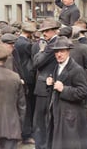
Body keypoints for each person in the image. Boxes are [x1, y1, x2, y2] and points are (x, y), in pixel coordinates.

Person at [46, 36, 87, 149]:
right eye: (56, 51)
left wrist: (64, 89)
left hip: (71, 117)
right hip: (60, 113)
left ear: (68, 51)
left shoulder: (77, 69)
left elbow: (83, 92)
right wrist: (51, 84)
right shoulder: (58, 66)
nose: (59, 54)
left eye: (62, 51)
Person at [31, 18, 61, 149]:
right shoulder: (55, 42)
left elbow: (36, 63)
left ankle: (42, 145)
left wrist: (41, 51)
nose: (44, 34)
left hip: (44, 85)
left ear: (54, 31)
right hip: (48, 83)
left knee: (41, 119)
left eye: (46, 31)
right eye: (43, 31)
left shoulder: (51, 45)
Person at [14, 22, 37, 145]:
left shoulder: (17, 41)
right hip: (28, 76)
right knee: (28, 106)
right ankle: (27, 134)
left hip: (21, 74)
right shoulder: (27, 44)